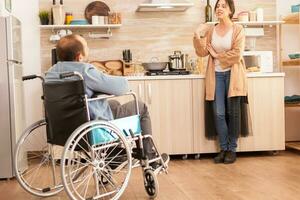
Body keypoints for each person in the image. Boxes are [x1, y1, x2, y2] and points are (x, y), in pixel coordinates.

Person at [45, 34, 169, 166]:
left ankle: (111, 153)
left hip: (65, 128)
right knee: (141, 107)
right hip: (93, 128)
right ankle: (150, 158)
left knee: (113, 104)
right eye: (86, 45)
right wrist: (103, 79)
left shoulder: (51, 73)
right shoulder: (85, 71)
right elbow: (121, 88)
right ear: (79, 56)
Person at [193, 0, 250, 164]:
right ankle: (223, 148)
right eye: (217, 6)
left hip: (233, 75)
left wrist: (218, 56)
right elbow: (202, 51)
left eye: (223, 6)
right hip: (216, 74)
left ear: (230, 10)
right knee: (218, 113)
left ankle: (232, 149)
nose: (219, 8)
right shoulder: (212, 30)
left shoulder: (238, 29)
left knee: (233, 113)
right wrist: (198, 34)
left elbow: (237, 54)